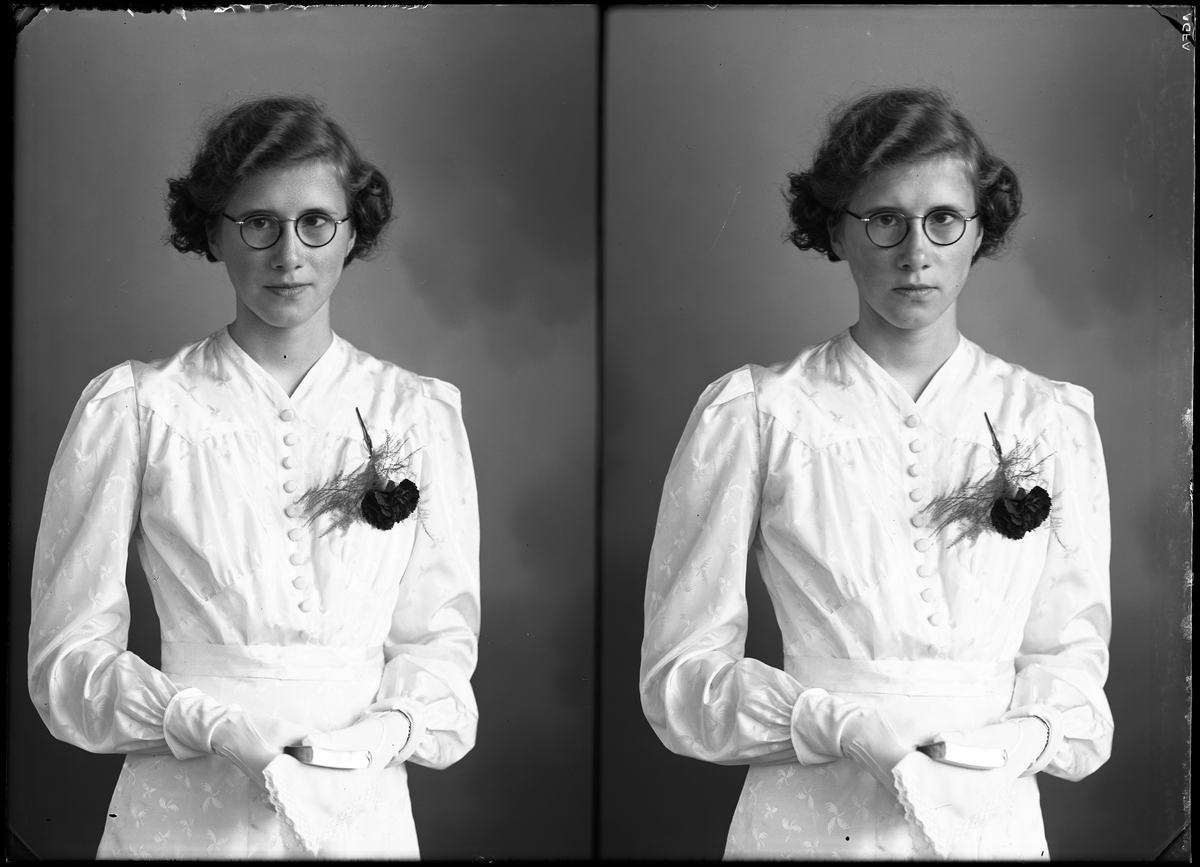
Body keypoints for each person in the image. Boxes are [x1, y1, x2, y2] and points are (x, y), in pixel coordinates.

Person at [640, 87, 1112, 860]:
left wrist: (1015, 741)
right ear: (836, 227)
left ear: (979, 229)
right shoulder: (760, 412)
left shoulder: (1047, 419)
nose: (916, 252)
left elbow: (1071, 656)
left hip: (989, 823)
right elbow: (681, 674)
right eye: (885, 219)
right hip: (811, 821)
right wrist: (839, 725)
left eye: (944, 219)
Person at [28, 95, 480, 859]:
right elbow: (66, 663)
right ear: (213, 231)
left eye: (316, 222)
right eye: (259, 223)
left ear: (352, 232)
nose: (289, 254)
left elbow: (440, 641)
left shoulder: (417, 414)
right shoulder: (139, 406)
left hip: (359, 812)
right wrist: (201, 724)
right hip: (186, 808)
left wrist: (381, 734)